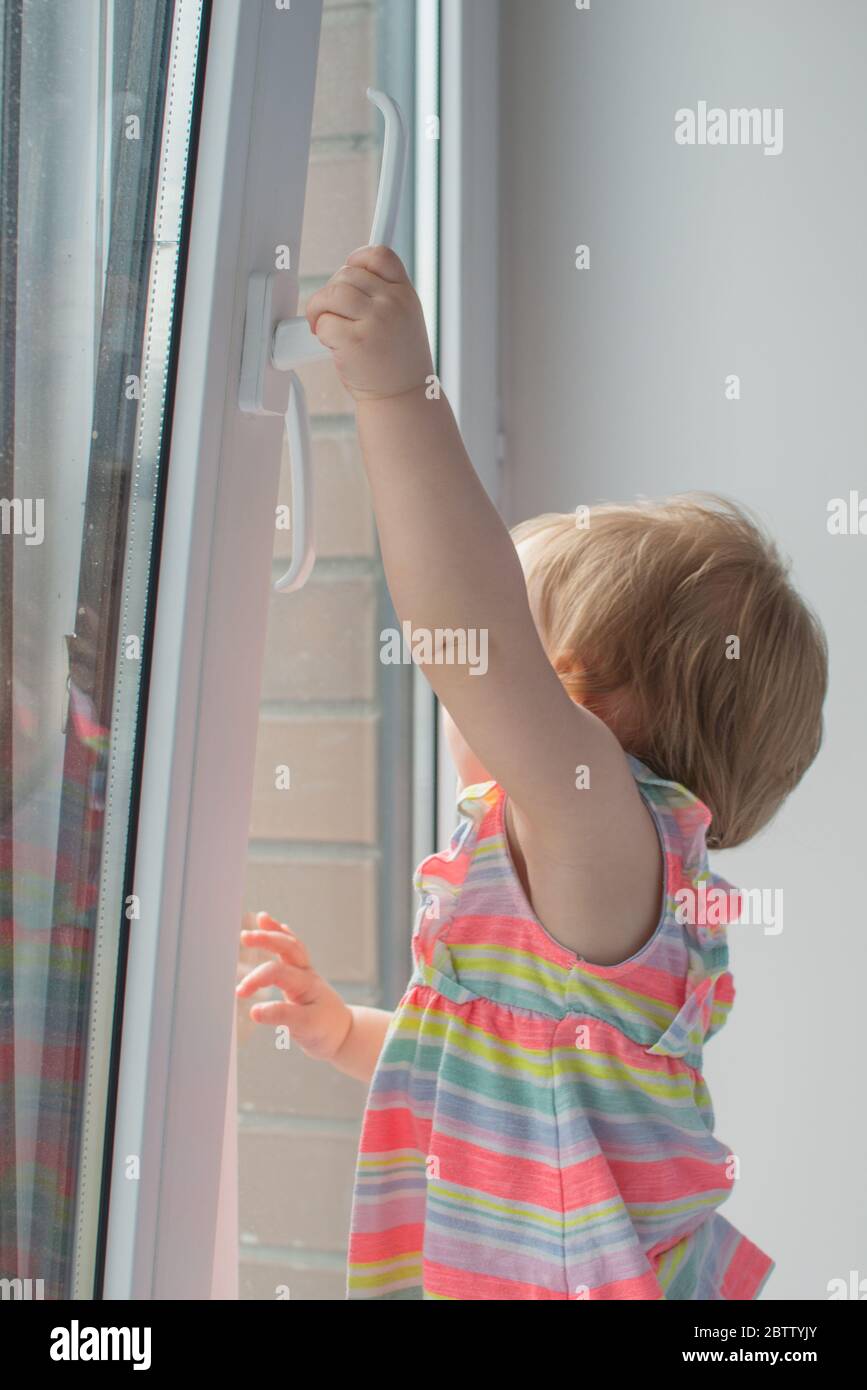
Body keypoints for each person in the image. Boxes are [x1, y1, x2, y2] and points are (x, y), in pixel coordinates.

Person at [236, 246, 828, 1300]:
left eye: (537, 660)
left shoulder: (610, 841)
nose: (495, 699)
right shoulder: (578, 897)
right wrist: (348, 1031)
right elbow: (492, 1084)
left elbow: (473, 642)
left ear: (584, 702)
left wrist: (398, 395)